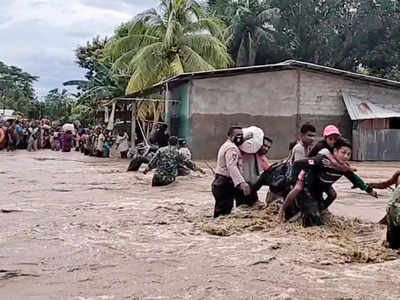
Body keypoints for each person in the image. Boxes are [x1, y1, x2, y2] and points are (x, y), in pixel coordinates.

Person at [282, 138, 377, 227]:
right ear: (335, 151)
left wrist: (369, 190)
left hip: (320, 190)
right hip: (306, 188)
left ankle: (318, 210)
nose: (345, 157)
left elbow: (355, 179)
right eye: (343, 152)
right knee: (313, 220)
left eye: (349, 154)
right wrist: (293, 181)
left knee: (332, 196)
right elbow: (298, 163)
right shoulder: (322, 160)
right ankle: (289, 215)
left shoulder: (344, 167)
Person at [211, 126, 253, 218]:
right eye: (237, 135)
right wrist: (241, 183)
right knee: (223, 213)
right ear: (229, 136)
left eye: (241, 135)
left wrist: (247, 137)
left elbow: (239, 141)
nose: (240, 138)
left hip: (221, 182)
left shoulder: (228, 145)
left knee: (222, 212)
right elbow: (232, 166)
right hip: (224, 184)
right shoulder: (232, 149)